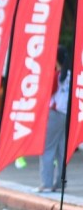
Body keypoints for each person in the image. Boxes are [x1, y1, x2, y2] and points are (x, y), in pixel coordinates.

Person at [37, 47, 70, 193]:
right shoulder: (71, 75)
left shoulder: (57, 75)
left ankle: (46, 184)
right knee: (61, 150)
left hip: (54, 113)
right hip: (66, 115)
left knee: (47, 149)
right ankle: (60, 182)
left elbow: (47, 93)